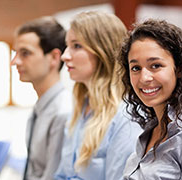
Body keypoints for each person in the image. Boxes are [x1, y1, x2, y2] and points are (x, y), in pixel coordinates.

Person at [119, 19, 182, 180]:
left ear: (180, 69)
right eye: (135, 68)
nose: (144, 77)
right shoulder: (150, 131)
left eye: (155, 65)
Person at [54, 11, 142, 180]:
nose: (65, 56)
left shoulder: (127, 116)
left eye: (76, 46)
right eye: (67, 46)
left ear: (103, 51)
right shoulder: (80, 109)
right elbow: (61, 174)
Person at [11, 16, 72, 180]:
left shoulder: (63, 112)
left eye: (25, 53)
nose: (15, 61)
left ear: (54, 57)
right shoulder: (41, 107)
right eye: (16, 53)